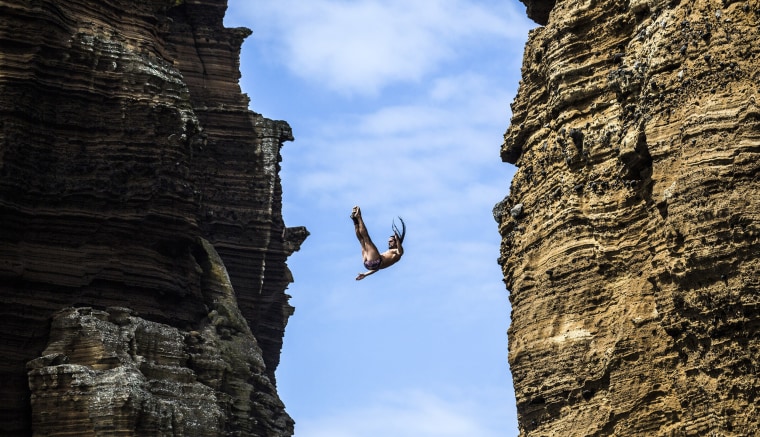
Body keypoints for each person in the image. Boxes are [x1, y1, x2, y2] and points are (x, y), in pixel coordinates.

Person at [350, 206, 405, 280]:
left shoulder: (396, 253)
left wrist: (397, 240)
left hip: (373, 262)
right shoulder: (389, 252)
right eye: (388, 241)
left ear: (396, 242)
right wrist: (365, 274)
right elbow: (377, 268)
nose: (389, 243)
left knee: (367, 239)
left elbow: (400, 251)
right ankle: (355, 221)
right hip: (369, 264)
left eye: (391, 241)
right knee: (362, 240)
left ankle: (359, 217)